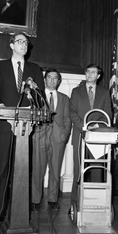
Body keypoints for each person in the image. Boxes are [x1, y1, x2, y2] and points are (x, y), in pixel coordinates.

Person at [0, 32, 45, 223]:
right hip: (6, 124)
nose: (24, 45)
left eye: (26, 42)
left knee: (22, 167)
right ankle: (1, 208)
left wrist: (34, 99)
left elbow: (40, 96)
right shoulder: (0, 66)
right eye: (19, 42)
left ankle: (21, 207)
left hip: (26, 124)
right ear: (11, 45)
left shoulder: (35, 69)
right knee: (3, 167)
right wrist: (2, 109)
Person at [69, 63, 112, 208]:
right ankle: (75, 204)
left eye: (93, 72)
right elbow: (72, 113)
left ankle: (96, 204)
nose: (90, 74)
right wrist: (85, 126)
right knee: (78, 171)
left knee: (97, 170)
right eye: (88, 72)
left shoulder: (105, 92)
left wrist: (96, 126)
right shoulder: (76, 91)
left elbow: (108, 114)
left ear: (98, 76)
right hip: (80, 135)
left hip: (97, 137)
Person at [31, 68, 71, 211]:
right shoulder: (36, 95)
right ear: (45, 79)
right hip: (39, 136)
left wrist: (64, 135)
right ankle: (35, 199)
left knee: (55, 169)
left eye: (56, 78)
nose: (52, 80)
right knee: (37, 169)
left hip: (57, 138)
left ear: (59, 81)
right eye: (50, 77)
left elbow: (67, 119)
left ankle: (52, 199)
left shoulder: (65, 98)